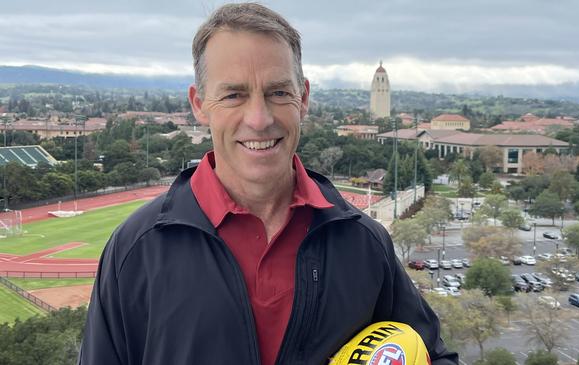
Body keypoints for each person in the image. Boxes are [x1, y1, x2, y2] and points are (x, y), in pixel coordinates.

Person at [79, 3, 458, 364]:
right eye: (233, 95)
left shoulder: (362, 242)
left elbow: (436, 355)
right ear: (198, 104)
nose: (259, 119)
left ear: (303, 98)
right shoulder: (136, 250)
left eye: (278, 92)